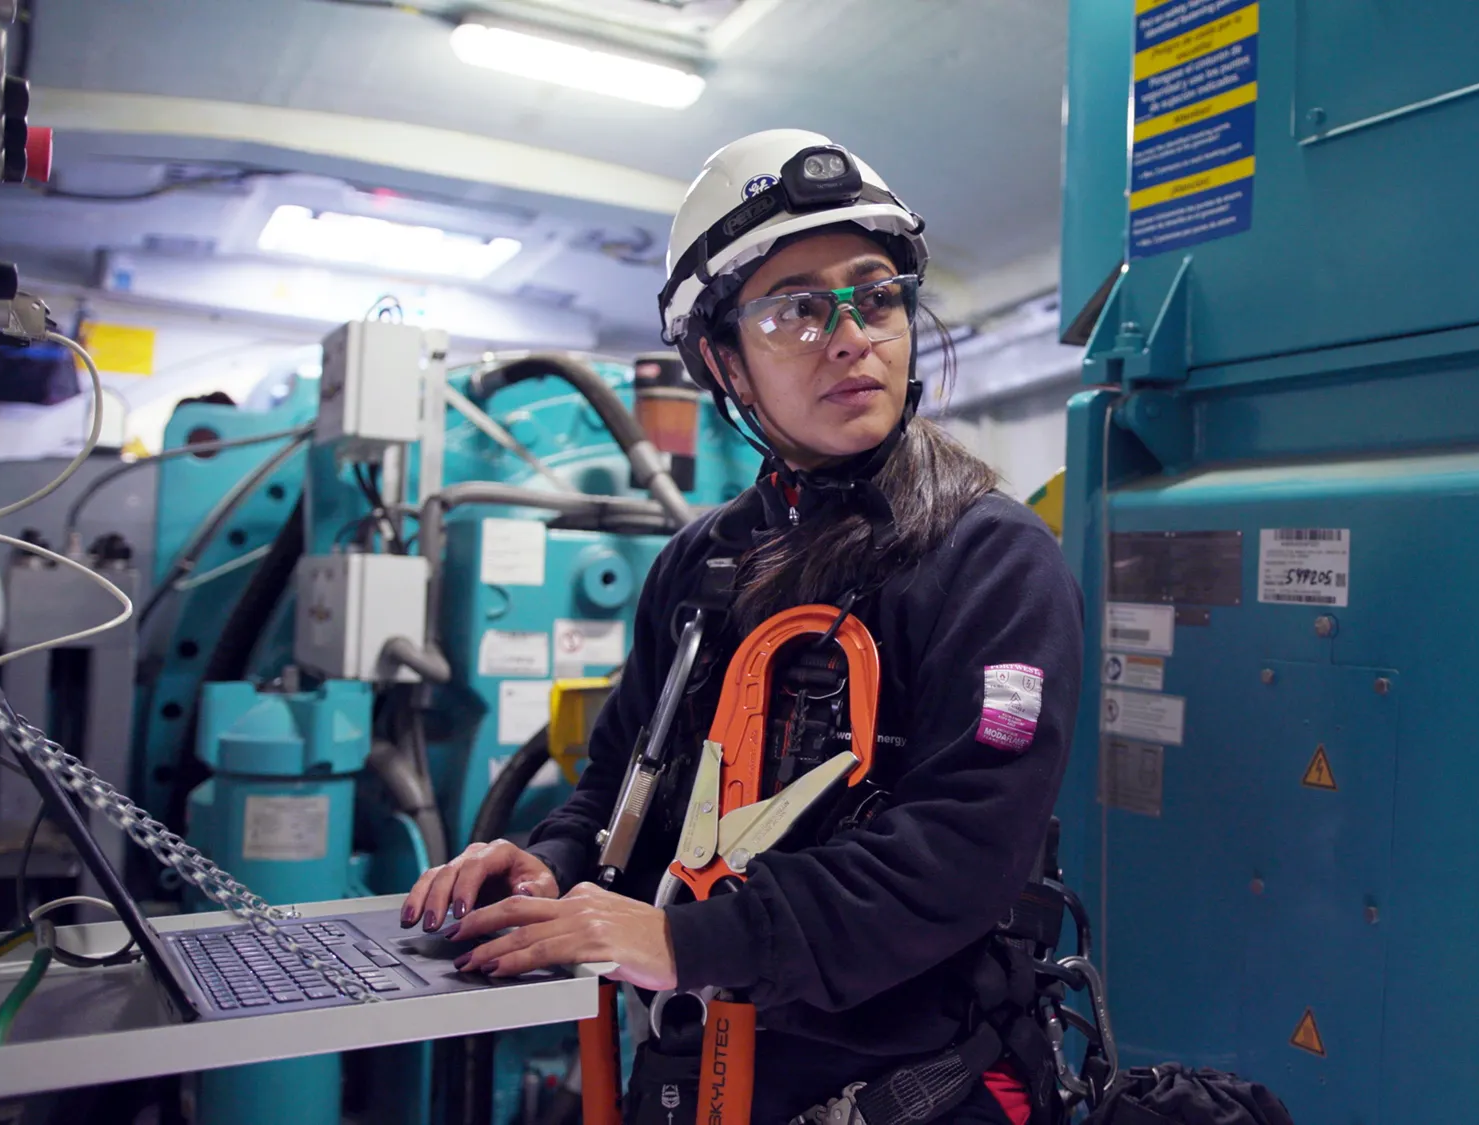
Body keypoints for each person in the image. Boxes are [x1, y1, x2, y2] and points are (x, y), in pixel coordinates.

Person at [401, 129, 1084, 1125]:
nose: (851, 333)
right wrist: (553, 859)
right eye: (798, 308)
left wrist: (683, 946)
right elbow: (624, 778)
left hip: (904, 1092)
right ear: (722, 357)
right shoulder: (701, 562)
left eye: (875, 293)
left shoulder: (989, 560)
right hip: (699, 1079)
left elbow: (958, 852)